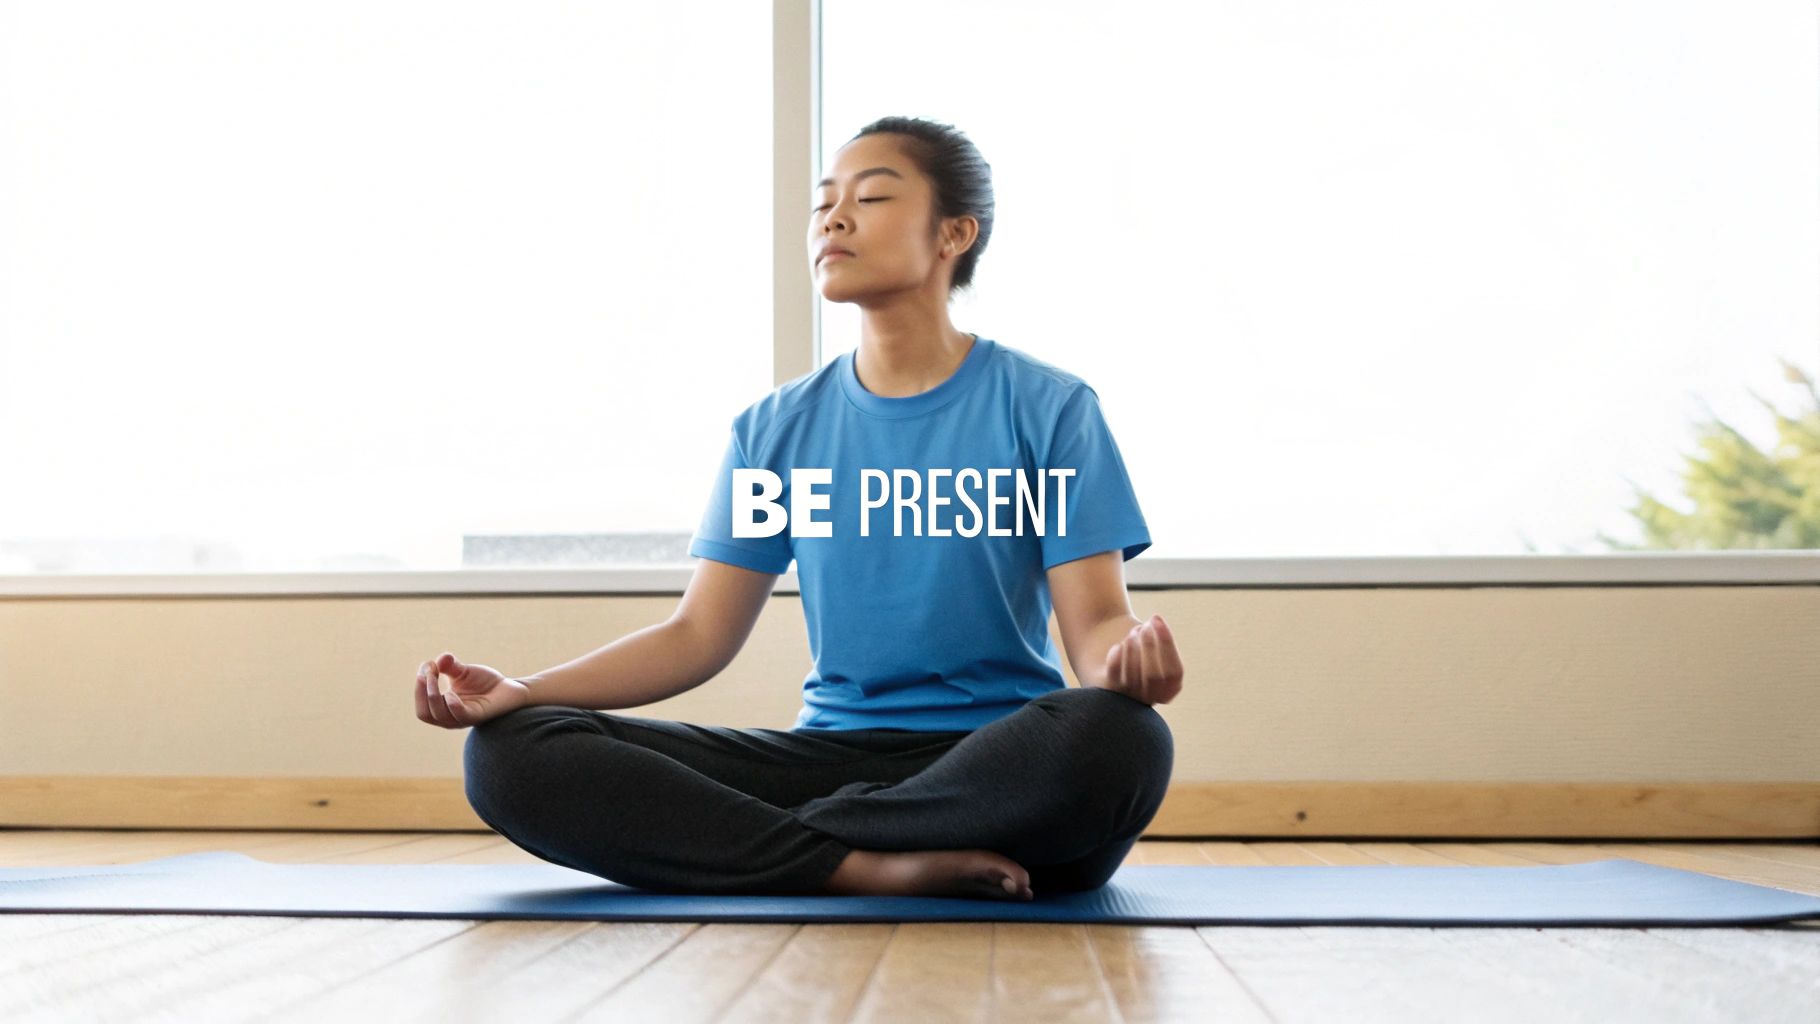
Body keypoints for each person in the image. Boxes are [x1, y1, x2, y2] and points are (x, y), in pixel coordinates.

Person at [416, 116, 1185, 901]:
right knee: (508, 751)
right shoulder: (775, 430)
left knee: (1121, 739)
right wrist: (527, 691)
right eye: (825, 205)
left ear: (954, 233)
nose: (834, 219)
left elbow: (1095, 631)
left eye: (873, 196)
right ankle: (864, 863)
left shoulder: (1049, 409)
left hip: (998, 762)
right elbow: (696, 636)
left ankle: (780, 843)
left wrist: (1126, 668)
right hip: (826, 759)